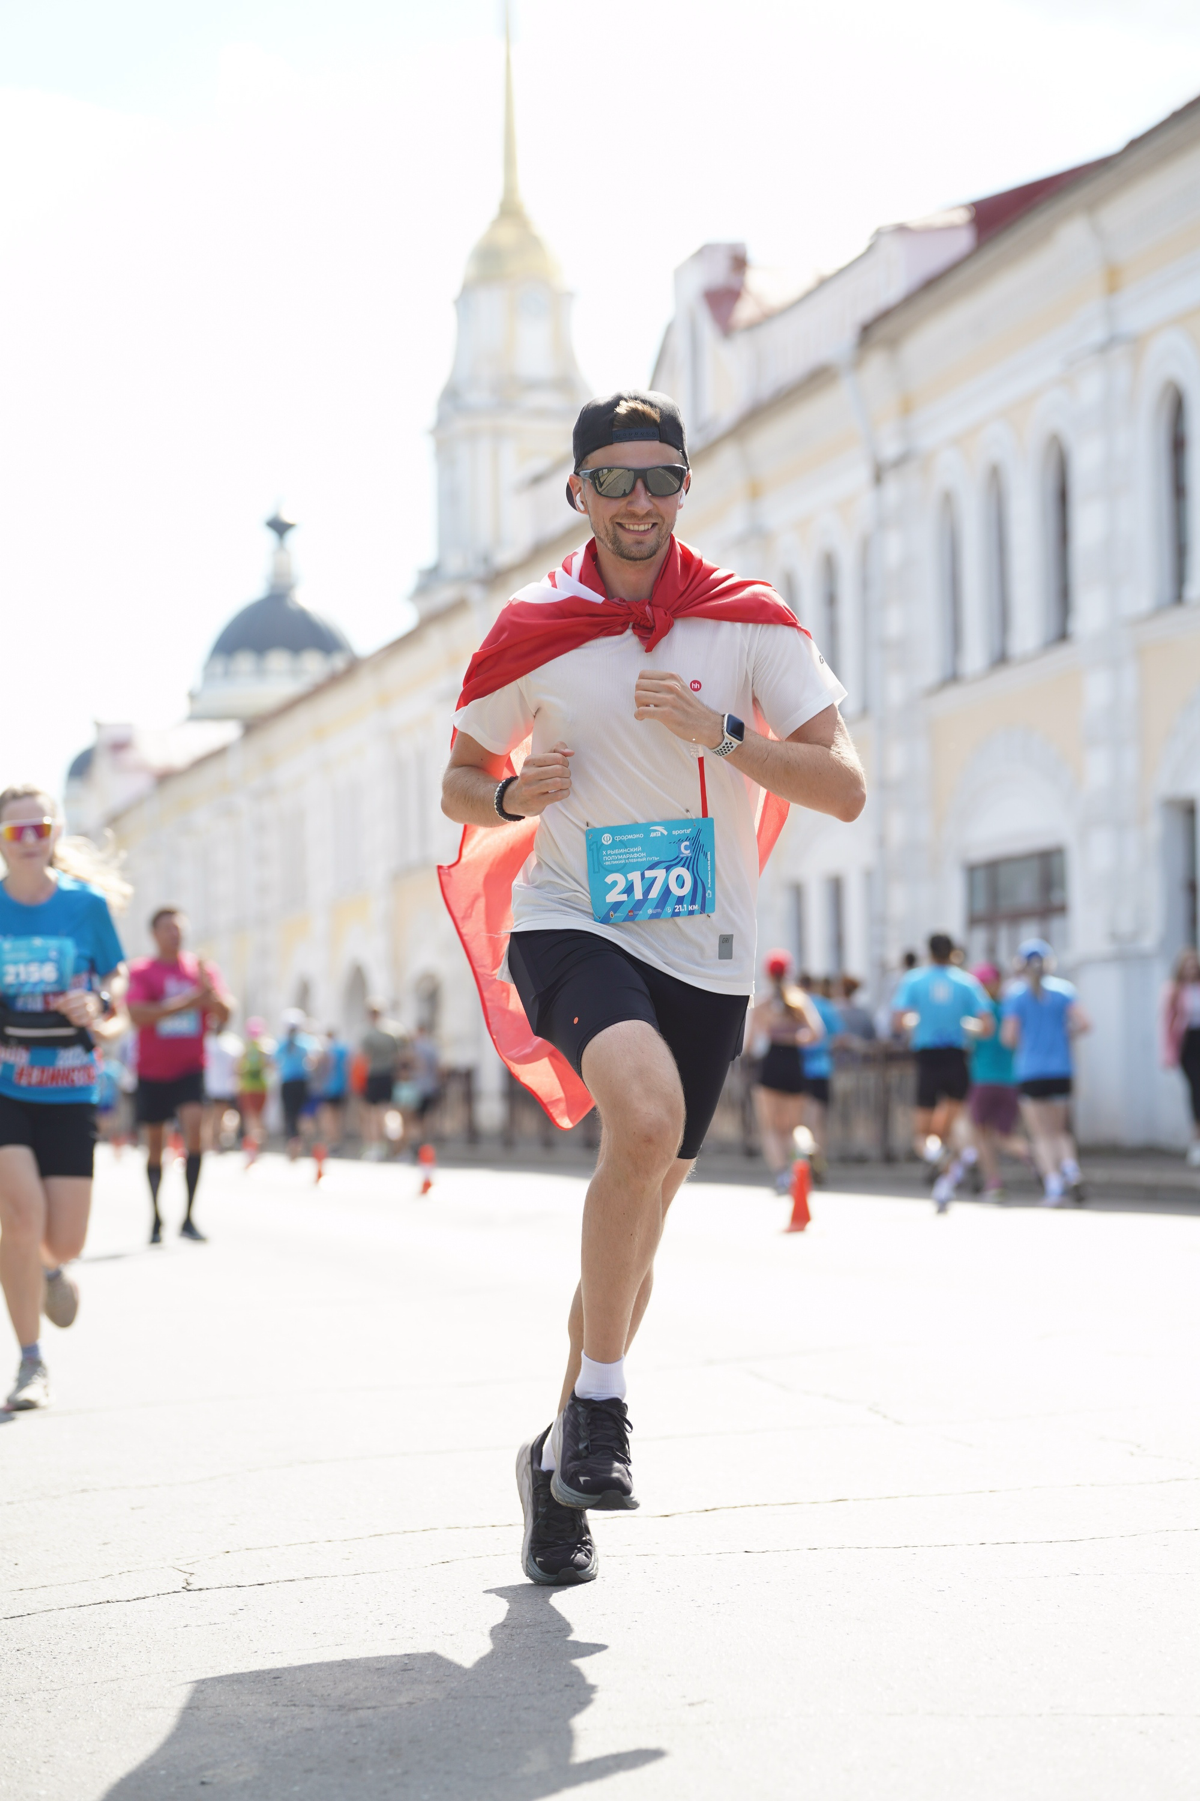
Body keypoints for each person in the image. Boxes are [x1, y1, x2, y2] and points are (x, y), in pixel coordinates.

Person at [441, 389, 864, 1585]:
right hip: (572, 921)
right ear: (576, 493)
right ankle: (610, 1408)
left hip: (706, 950)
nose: (639, 502)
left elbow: (844, 787)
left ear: (686, 489)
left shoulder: (748, 623)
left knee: (640, 1214)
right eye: (614, 480)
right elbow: (461, 784)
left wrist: (722, 734)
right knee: (643, 1115)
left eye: (661, 479)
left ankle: (559, 1445)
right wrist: (520, 798)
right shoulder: (532, 628)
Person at [0, 784, 128, 1410]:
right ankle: (29, 1364)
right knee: (18, 1218)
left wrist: (99, 1005)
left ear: (54, 832)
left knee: (63, 1240)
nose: (28, 840)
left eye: (39, 828)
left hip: (71, 1084)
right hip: (4, 1085)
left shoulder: (86, 906)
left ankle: (50, 1269)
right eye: (13, 831)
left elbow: (117, 993)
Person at [126, 908, 232, 1244]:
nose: (175, 933)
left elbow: (225, 1014)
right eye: (168, 928)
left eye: (180, 928)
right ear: (154, 933)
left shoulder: (201, 971)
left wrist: (210, 996)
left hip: (190, 1068)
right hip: (152, 1071)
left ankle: (188, 1217)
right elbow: (137, 1014)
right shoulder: (142, 971)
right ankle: (156, 1216)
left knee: (194, 1133)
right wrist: (187, 1003)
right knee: (155, 1146)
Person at [892, 933, 989, 1211]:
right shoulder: (966, 981)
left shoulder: (914, 980)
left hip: (928, 1058)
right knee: (949, 1127)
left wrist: (917, 1023)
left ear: (929, 952)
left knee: (922, 1134)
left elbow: (898, 1020)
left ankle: (936, 1158)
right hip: (957, 1058)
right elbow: (987, 1025)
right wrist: (963, 1025)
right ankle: (944, 1188)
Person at [1001, 938, 1091, 1205]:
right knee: (1060, 1129)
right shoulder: (1064, 991)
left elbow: (1009, 1037)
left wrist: (1031, 1040)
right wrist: (1063, 1034)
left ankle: (1053, 1184)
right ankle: (1071, 1169)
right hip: (1061, 1069)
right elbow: (1084, 1024)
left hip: (1031, 1070)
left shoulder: (1016, 995)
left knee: (1040, 1133)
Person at [749, 951, 825, 1193]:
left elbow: (750, 1043)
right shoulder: (799, 1000)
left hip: (771, 1064)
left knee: (770, 1127)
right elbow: (816, 1033)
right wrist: (795, 1036)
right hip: (794, 1064)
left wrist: (773, 1034)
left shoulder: (761, 1003)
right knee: (795, 1125)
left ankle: (782, 1175)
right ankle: (805, 1148)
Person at [964, 962, 1026, 1199]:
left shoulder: (979, 1014)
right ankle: (1030, 1153)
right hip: (1009, 1080)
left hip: (983, 1080)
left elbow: (967, 1043)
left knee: (983, 1136)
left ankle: (993, 1181)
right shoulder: (1010, 1009)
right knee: (1004, 1135)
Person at [800, 976, 843, 1183]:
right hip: (821, 1068)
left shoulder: (793, 1005)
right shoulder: (825, 1006)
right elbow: (839, 1035)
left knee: (801, 1120)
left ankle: (803, 1156)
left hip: (797, 1068)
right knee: (819, 1121)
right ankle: (819, 1159)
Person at [1161, 947, 1200, 1166]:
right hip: (1188, 1044)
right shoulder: (1174, 990)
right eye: (1188, 965)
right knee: (1196, 1089)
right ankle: (1197, 1141)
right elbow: (1167, 1024)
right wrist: (1169, 1054)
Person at [276, 1010, 320, 1159]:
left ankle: (293, 1143)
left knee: (290, 1114)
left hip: (288, 1082)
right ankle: (302, 1142)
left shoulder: (284, 1043)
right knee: (303, 1114)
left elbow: (274, 1061)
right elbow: (313, 1061)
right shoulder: (305, 1042)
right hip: (301, 1081)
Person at [360, 1002, 400, 1161]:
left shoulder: (369, 1034)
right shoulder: (393, 1033)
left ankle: (376, 1146)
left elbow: (363, 1056)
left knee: (372, 1113)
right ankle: (390, 1138)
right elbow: (398, 1056)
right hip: (388, 1074)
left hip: (374, 1074)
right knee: (386, 1109)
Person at [237, 1017, 272, 1163]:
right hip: (261, 1086)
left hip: (248, 1086)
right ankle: (259, 1144)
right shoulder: (265, 1047)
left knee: (250, 1117)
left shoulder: (247, 1048)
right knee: (259, 1117)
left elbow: (239, 1068)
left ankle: (252, 1146)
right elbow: (270, 1066)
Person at [204, 1023, 244, 1151]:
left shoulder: (231, 1042)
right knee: (209, 1117)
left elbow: (239, 1065)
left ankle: (216, 1142)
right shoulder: (207, 1041)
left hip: (224, 1087)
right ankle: (210, 1142)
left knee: (220, 1116)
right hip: (210, 1086)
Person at [314, 1026, 351, 1153]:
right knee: (339, 1115)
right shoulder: (343, 1049)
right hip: (342, 1086)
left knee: (328, 1115)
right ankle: (337, 1139)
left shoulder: (326, 1050)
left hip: (328, 1087)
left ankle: (331, 1140)